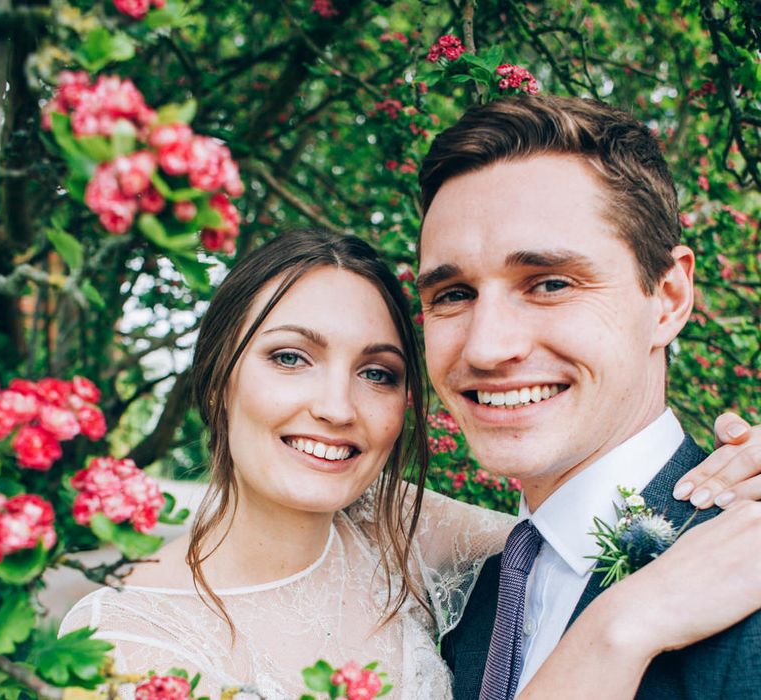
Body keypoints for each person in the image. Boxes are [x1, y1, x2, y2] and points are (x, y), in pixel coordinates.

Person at [60, 229, 761, 699]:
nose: (338, 407)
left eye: (379, 373)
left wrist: (740, 474)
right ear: (216, 377)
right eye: (290, 358)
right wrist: (620, 629)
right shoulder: (129, 644)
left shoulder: (397, 529)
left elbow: (576, 528)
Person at [416, 95, 761, 699]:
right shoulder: (462, 602)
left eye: (549, 283)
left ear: (669, 298)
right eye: (452, 294)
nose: (486, 347)